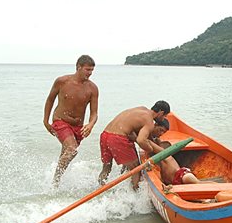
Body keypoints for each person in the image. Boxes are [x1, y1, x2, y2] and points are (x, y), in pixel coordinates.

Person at [43, 55, 99, 187]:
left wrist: (90, 125)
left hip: (78, 127)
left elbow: (94, 113)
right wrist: (45, 121)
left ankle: (56, 182)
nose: (90, 73)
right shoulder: (62, 81)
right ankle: (55, 182)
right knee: (72, 149)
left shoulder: (93, 88)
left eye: (92, 70)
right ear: (78, 67)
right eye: (87, 70)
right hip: (60, 121)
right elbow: (50, 99)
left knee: (66, 153)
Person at [98, 101, 170, 189]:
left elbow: (134, 129)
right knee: (136, 168)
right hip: (117, 138)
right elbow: (141, 140)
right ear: (161, 113)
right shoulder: (149, 121)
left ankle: (100, 186)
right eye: (164, 116)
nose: (163, 119)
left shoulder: (142, 109)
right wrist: (151, 150)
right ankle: (134, 193)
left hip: (105, 135)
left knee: (107, 167)